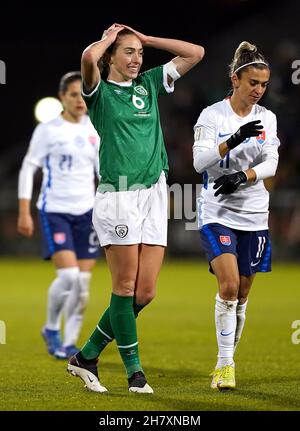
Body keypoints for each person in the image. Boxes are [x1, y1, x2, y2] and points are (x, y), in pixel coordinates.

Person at [67, 23, 204, 394]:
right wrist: (109, 40)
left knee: (144, 293)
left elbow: (196, 52)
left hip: (155, 193)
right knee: (124, 286)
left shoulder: (149, 84)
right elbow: (87, 58)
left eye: (139, 54)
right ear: (111, 55)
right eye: (128, 52)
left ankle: (87, 355)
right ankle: (135, 374)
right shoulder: (99, 91)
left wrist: (147, 40)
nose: (136, 59)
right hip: (119, 196)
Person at [193, 41, 280, 390]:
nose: (258, 90)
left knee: (242, 296)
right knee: (228, 287)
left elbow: (271, 162)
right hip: (217, 211)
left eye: (263, 84)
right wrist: (233, 140)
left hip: (255, 215)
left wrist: (243, 176)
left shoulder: (268, 118)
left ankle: (227, 360)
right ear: (235, 80)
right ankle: (225, 365)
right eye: (252, 83)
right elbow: (200, 162)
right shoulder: (212, 116)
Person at [17, 71, 101, 360]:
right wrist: (24, 210)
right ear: (62, 96)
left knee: (83, 284)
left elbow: (102, 173)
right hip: (55, 209)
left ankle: (69, 342)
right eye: (74, 94)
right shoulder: (49, 130)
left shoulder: (94, 128)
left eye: (83, 94)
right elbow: (29, 167)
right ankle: (51, 328)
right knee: (68, 277)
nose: (80, 100)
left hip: (87, 211)